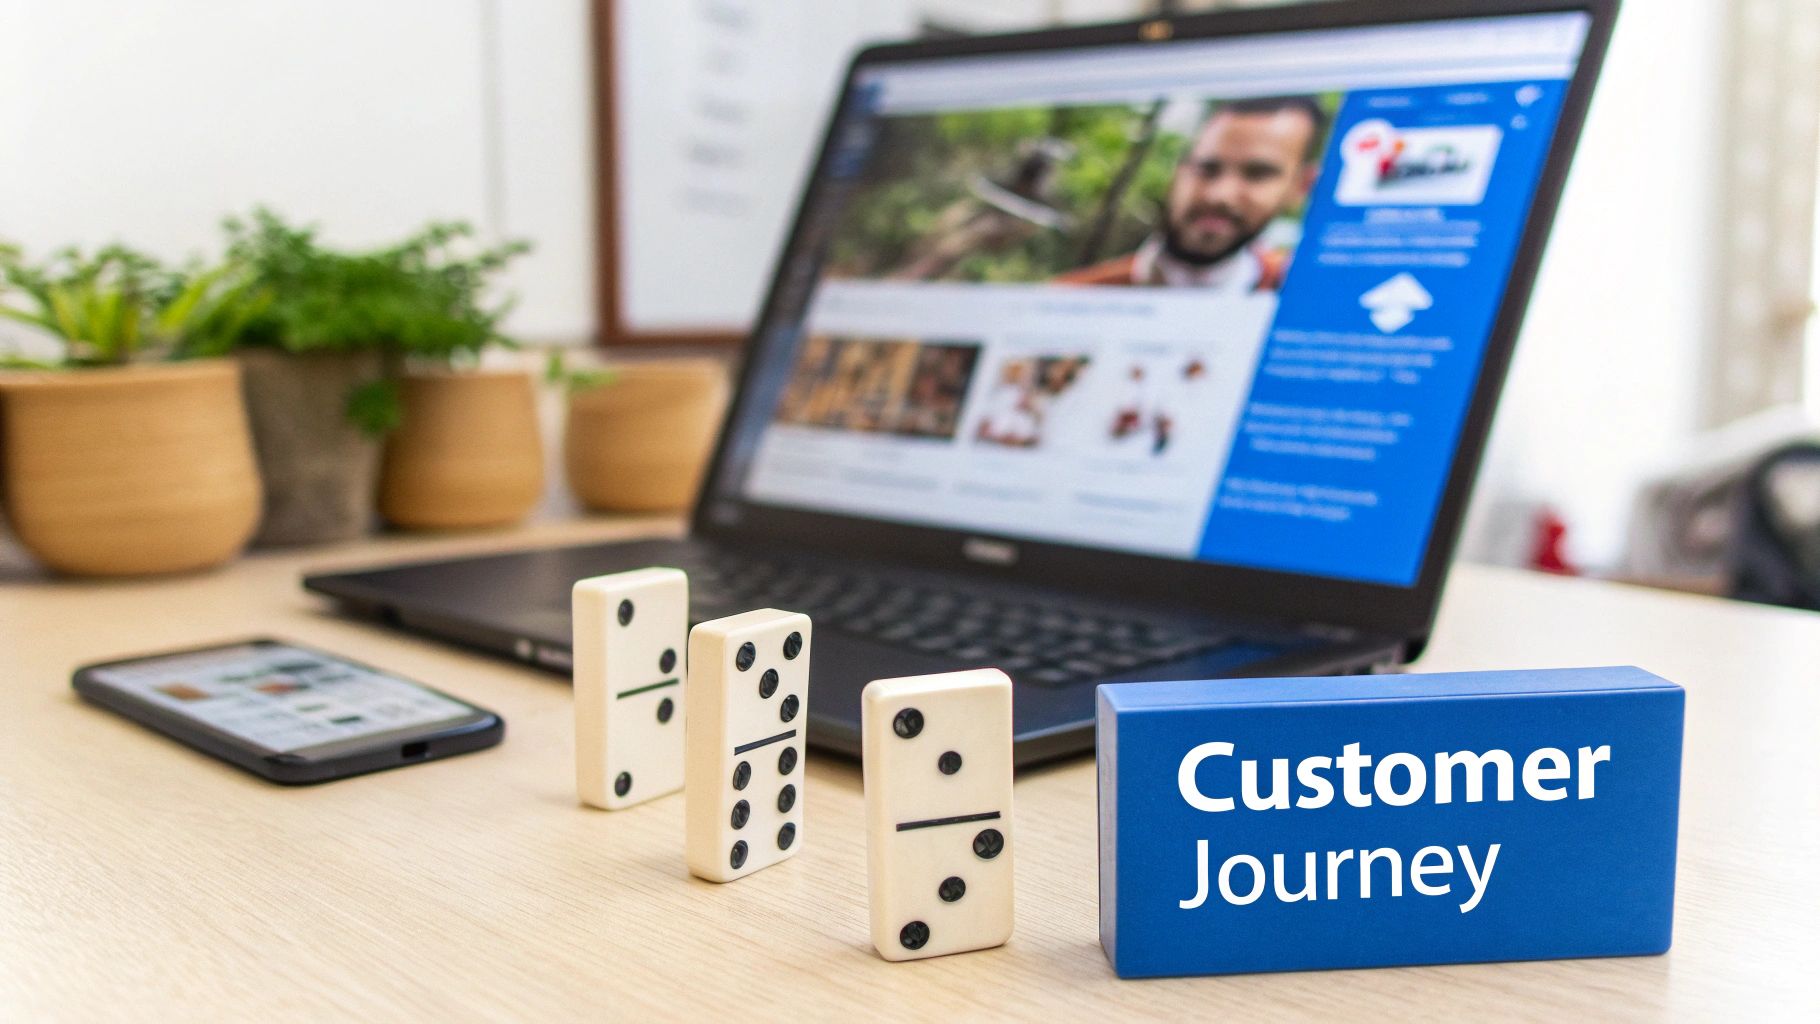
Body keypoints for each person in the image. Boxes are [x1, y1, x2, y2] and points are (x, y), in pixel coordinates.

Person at [1058, 96, 1325, 291]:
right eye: (1207, 168)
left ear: (1301, 186)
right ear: (1180, 169)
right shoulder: (1075, 295)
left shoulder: (1301, 301)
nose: (1220, 195)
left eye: (1257, 174)